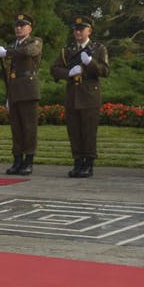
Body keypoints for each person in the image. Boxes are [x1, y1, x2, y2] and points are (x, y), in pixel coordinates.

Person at [50, 16, 110, 178]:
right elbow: (54, 69)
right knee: (74, 132)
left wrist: (90, 62)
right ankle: (77, 162)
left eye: (81, 29)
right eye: (75, 29)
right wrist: (68, 73)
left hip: (89, 95)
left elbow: (105, 71)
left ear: (89, 31)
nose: (77, 32)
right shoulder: (67, 50)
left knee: (89, 132)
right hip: (72, 95)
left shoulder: (98, 49)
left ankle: (88, 164)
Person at [0, 14, 43, 175]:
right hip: (14, 89)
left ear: (29, 28)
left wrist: (8, 52)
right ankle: (17, 160)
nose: (18, 28)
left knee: (29, 128)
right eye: (17, 26)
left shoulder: (34, 42)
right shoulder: (12, 46)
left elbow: (29, 51)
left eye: (22, 26)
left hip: (28, 90)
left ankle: (28, 160)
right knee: (16, 128)